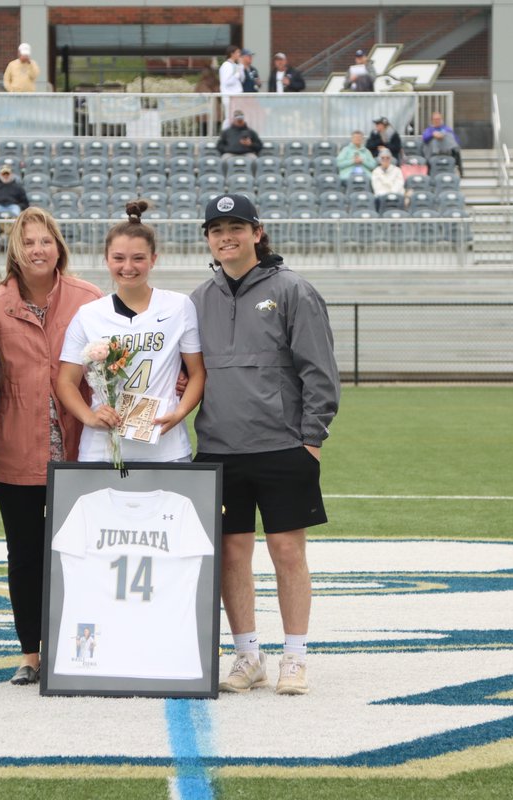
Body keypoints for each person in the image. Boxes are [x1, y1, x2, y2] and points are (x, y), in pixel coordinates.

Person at [190, 193, 340, 696]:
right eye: (216, 229)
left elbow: (319, 372)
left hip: (282, 446)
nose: (225, 237)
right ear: (208, 239)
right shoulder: (198, 299)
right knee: (232, 555)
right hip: (218, 448)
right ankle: (247, 655)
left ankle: (294, 657)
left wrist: (311, 441)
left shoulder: (293, 289)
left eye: (236, 227)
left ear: (257, 232)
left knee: (287, 551)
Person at [0, 208, 102, 685]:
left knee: (79, 553)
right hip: (15, 448)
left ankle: (83, 646)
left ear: (59, 247)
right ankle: (30, 653)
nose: (37, 250)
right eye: (27, 242)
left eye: (45, 241)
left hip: (80, 451)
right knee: (25, 554)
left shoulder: (88, 298)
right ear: (15, 250)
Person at [55, 200, 206, 464]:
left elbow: (196, 373)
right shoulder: (89, 314)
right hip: (101, 448)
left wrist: (180, 412)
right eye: (119, 258)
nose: (128, 267)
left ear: (153, 259)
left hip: (165, 446)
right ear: (106, 260)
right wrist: (90, 417)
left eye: (138, 258)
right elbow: (66, 381)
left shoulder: (179, 306)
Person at [422, 111, 463, 176]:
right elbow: (424, 138)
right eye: (435, 119)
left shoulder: (446, 128)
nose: (437, 121)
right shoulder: (429, 129)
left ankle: (459, 169)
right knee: (433, 139)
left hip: (447, 152)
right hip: (432, 153)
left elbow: (456, 141)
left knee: (449, 136)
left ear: (441, 120)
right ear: (432, 120)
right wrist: (433, 134)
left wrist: (443, 135)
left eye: (438, 119)